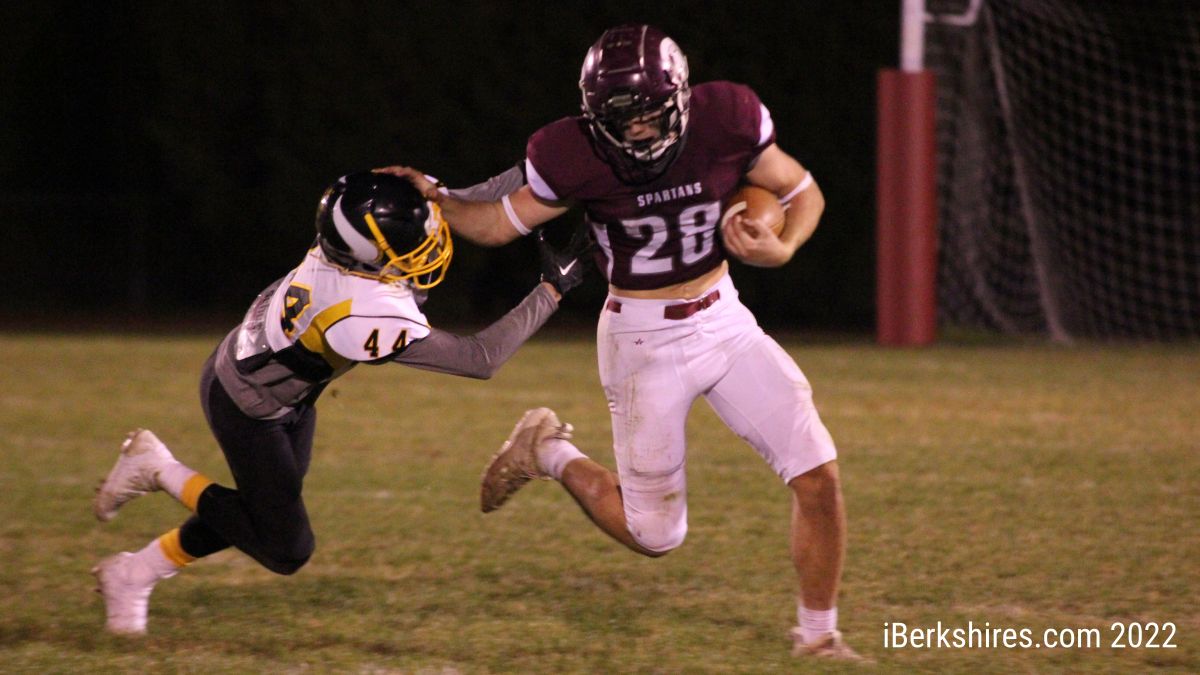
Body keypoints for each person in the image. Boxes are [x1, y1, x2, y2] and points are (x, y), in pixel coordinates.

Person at [381, 24, 863, 660]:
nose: (636, 131)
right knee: (655, 535)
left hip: (726, 321)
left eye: (648, 115)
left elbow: (799, 189)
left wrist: (785, 244)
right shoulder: (571, 151)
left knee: (818, 474)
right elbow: (499, 224)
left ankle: (818, 638)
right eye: (619, 119)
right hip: (642, 339)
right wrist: (436, 198)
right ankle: (548, 450)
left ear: (681, 98)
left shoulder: (728, 117)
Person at [91, 171, 586, 635]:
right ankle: (155, 468)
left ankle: (133, 574)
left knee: (258, 515)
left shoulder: (345, 233)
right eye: (405, 246)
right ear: (366, 255)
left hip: (276, 388)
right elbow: (480, 358)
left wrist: (537, 173)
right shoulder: (356, 311)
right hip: (248, 404)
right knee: (286, 547)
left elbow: (437, 201)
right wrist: (552, 289)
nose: (425, 246)